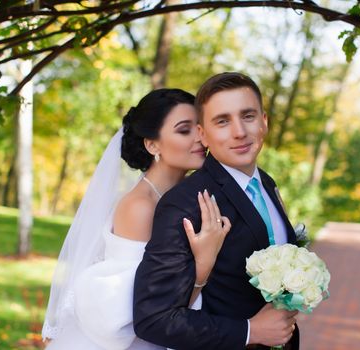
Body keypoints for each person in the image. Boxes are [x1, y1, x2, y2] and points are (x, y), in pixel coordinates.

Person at [42, 88, 231, 349]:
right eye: (184, 130)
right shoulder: (140, 207)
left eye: (200, 128)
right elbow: (148, 306)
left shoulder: (193, 195)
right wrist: (203, 263)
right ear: (152, 144)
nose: (199, 139)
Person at [133, 72, 300, 350]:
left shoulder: (267, 183)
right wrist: (249, 331)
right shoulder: (185, 204)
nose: (239, 131)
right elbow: (154, 319)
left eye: (248, 116)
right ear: (203, 134)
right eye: (222, 121)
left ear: (264, 122)